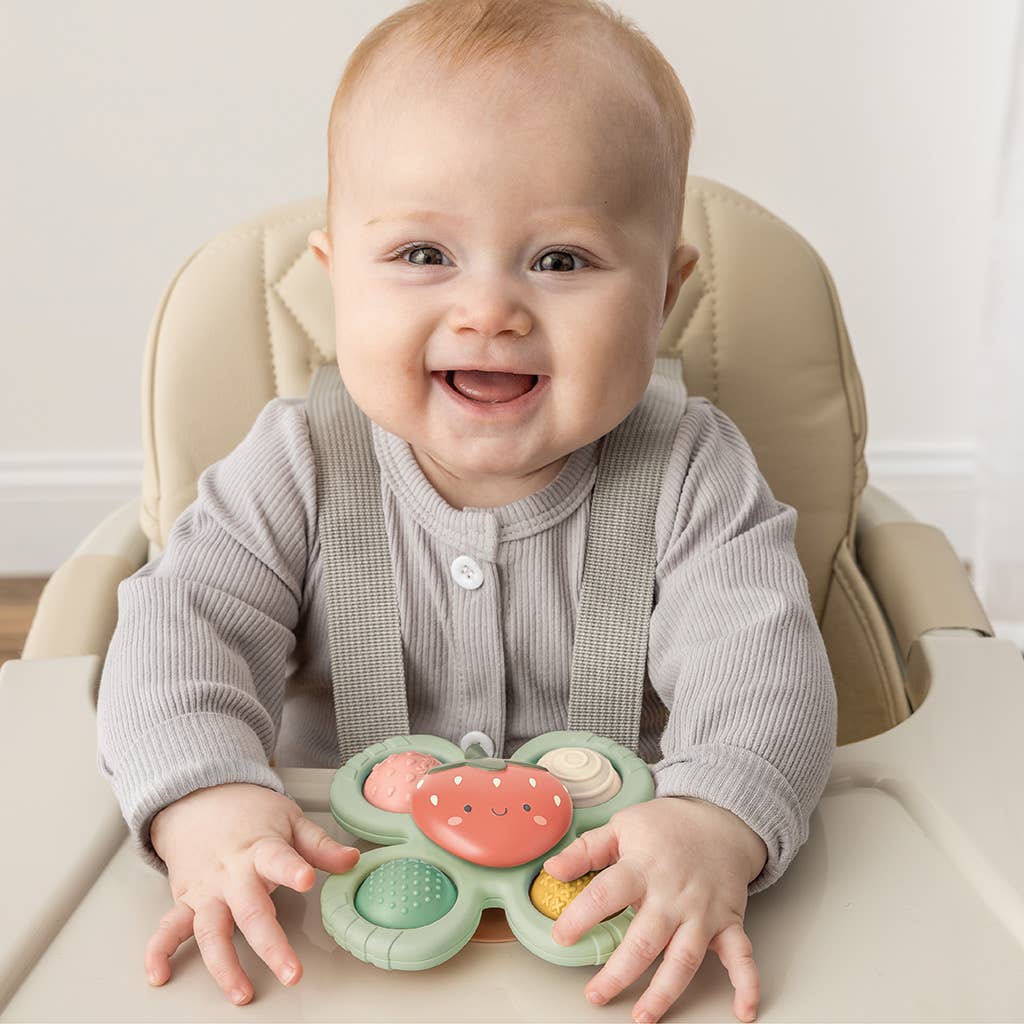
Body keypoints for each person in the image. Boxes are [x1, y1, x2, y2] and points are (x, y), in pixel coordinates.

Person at [96, 1, 837, 1021]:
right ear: (335, 282)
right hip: (338, 915)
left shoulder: (693, 470)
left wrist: (713, 818)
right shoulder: (299, 461)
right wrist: (204, 794)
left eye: (561, 260)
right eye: (421, 255)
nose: (488, 309)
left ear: (664, 297)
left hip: (606, 921)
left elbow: (765, 667)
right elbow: (178, 629)